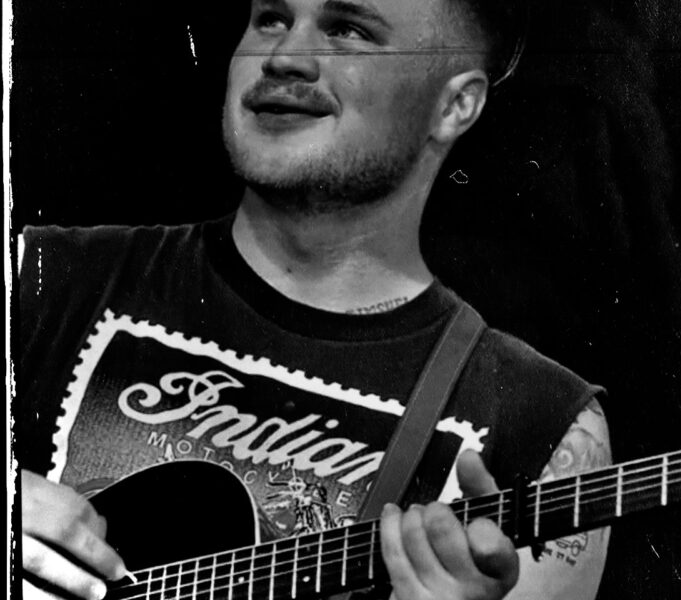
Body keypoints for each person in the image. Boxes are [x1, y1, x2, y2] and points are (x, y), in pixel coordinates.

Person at [16, 0, 612, 599]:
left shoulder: (545, 426)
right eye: (271, 19)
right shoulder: (36, 277)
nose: (285, 57)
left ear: (454, 105)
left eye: (347, 30)